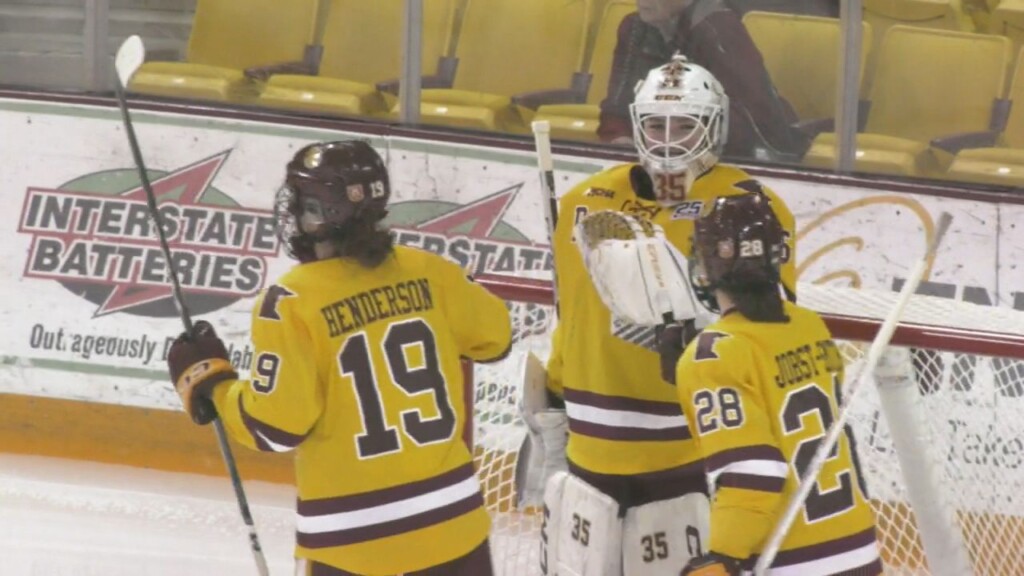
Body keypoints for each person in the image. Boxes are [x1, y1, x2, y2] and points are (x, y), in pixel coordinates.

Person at [165, 140, 512, 576]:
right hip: (455, 529)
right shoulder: (431, 271)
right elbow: (496, 340)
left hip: (351, 542)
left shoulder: (290, 302)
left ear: (316, 214)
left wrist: (212, 384)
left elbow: (275, 428)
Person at [528, 55, 797, 576]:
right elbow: (573, 319)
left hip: (689, 448)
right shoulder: (586, 200)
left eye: (685, 124)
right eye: (656, 123)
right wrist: (553, 410)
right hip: (590, 445)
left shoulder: (746, 207)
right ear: (636, 124)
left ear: (714, 127)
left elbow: (769, 330)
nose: (669, 138)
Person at [674, 191, 881, 575]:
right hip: (859, 549)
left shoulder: (710, 355)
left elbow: (753, 473)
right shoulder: (808, 323)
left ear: (706, 264)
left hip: (792, 562)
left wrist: (724, 557)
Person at [597, 0, 811, 160]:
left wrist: (680, 145)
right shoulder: (634, 27)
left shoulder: (719, 29)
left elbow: (756, 122)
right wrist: (620, 140)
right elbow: (618, 103)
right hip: (659, 154)